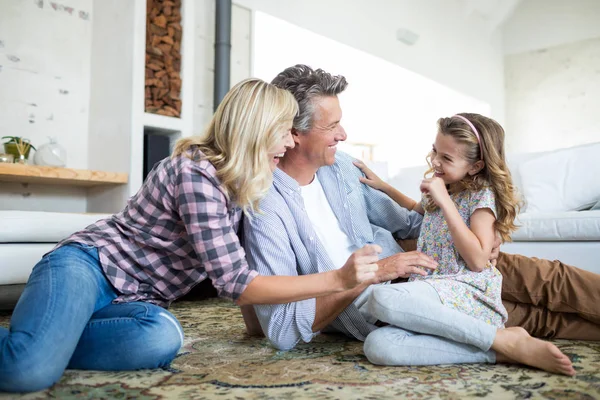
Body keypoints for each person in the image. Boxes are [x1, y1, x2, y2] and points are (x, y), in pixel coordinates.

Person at [0, 78, 394, 393]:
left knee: (161, 339)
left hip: (139, 298)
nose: (290, 142)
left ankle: (48, 336)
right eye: (283, 132)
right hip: (91, 266)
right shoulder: (197, 172)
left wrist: (258, 325)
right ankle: (38, 344)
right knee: (28, 372)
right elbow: (237, 284)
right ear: (256, 130)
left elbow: (242, 268)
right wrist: (340, 279)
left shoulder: (249, 182)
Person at [242, 65, 600, 370]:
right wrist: (374, 274)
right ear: (294, 133)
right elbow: (284, 328)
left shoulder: (343, 168)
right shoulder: (266, 208)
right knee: (540, 320)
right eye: (332, 126)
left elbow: (413, 224)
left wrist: (485, 229)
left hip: (431, 263)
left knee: (546, 279)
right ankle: (503, 342)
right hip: (395, 301)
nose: (344, 134)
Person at [353, 113, 571, 375]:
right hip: (434, 291)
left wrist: (445, 201)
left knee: (381, 297)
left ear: (476, 166)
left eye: (446, 158)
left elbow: (478, 260)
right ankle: (499, 348)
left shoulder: (480, 197)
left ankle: (495, 338)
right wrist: (383, 186)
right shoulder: (445, 186)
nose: (435, 161)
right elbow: (416, 208)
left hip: (465, 290)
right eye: (435, 151)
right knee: (379, 346)